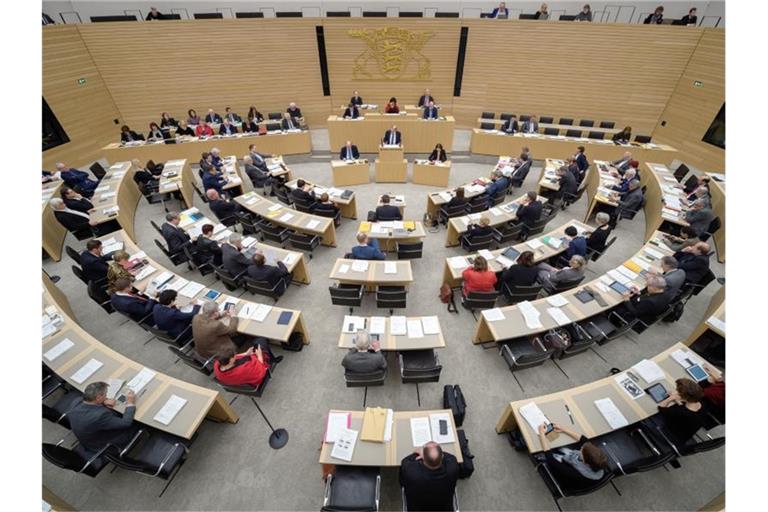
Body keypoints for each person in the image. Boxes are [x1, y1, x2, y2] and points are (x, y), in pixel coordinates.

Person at [67, 382, 138, 454]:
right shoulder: (100, 416)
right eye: (105, 394)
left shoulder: (76, 402)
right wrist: (130, 403)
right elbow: (126, 423)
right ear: (98, 398)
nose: (106, 396)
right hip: (104, 444)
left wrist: (103, 402)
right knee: (138, 422)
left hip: (89, 437)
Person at [537, 423, 608, 485]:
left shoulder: (575, 474)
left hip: (566, 478)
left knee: (545, 452)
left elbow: (551, 459)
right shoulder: (598, 460)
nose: (581, 448)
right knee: (562, 444)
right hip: (574, 460)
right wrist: (563, 429)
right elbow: (584, 440)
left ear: (585, 461)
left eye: (581, 450)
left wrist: (542, 434)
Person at [400, 442, 460, 512]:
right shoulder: (452, 467)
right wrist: (435, 455)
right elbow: (450, 457)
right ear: (442, 457)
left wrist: (419, 453)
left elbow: (405, 461)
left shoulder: (411, 473)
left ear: (423, 458)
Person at [657, 378, 708, 445]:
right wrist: (678, 399)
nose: (676, 391)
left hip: (670, 436)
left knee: (650, 418)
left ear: (684, 397)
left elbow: (661, 407)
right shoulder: (701, 404)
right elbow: (685, 407)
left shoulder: (680, 412)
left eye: (677, 391)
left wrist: (671, 398)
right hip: (684, 433)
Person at [214, 343, 281, 387]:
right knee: (262, 343)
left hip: (246, 367)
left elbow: (237, 356)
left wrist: (245, 354)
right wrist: (259, 355)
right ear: (231, 360)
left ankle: (272, 358)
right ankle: (272, 360)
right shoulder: (241, 370)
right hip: (255, 370)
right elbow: (261, 371)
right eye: (234, 355)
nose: (236, 355)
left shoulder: (218, 363)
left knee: (257, 343)